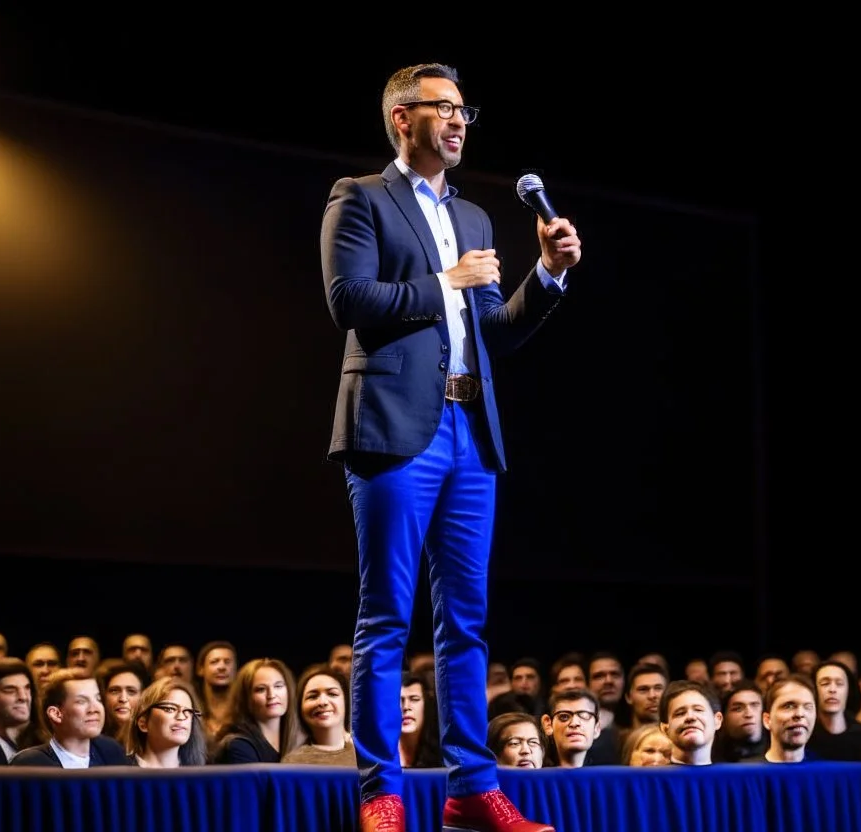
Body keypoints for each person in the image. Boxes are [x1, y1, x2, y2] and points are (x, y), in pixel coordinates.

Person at [319, 61, 580, 832]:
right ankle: (382, 792)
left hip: (471, 429)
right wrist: (445, 280)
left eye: (466, 110)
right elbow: (347, 300)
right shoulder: (359, 196)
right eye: (445, 108)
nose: (461, 121)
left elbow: (495, 331)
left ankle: (472, 788)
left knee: (466, 620)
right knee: (386, 618)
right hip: (395, 427)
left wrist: (548, 275)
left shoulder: (473, 217)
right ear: (404, 118)